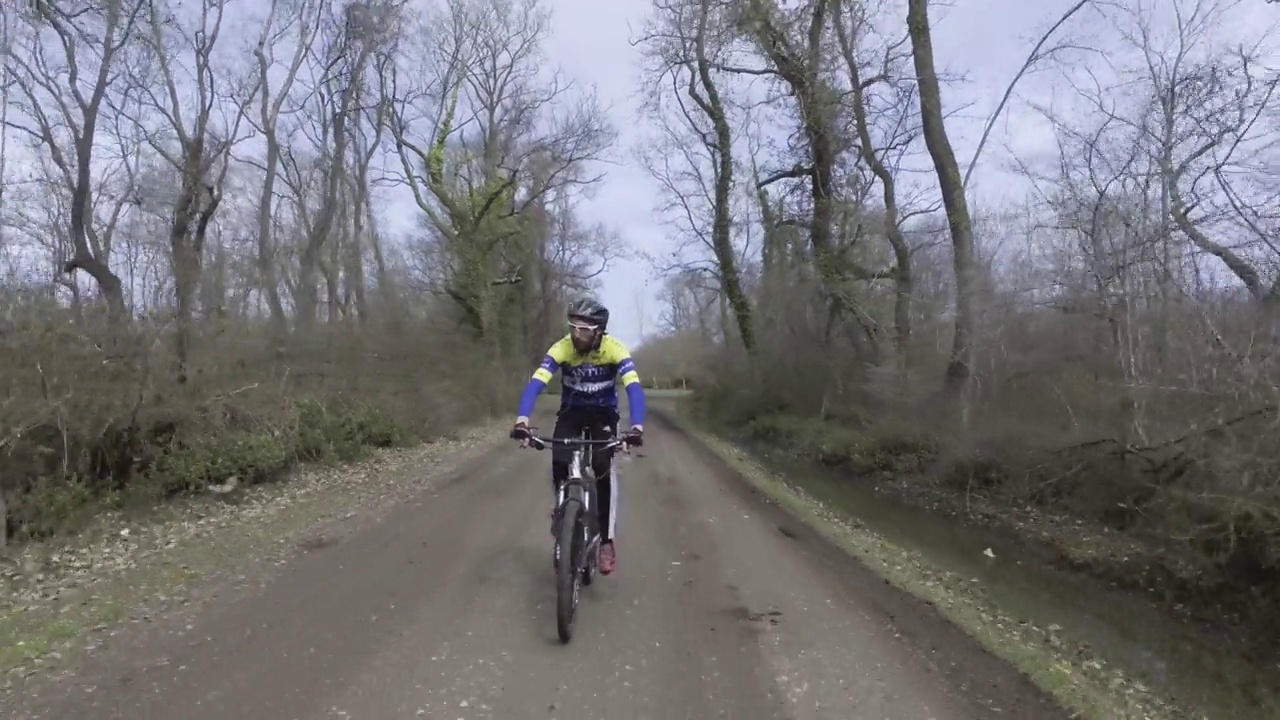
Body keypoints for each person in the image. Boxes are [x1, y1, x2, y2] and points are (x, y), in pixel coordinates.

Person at [510, 297, 646, 575]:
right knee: (559, 459)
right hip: (571, 412)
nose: (576, 334)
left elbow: (634, 389)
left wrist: (636, 427)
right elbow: (536, 383)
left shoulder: (615, 349)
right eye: (573, 327)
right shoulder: (562, 348)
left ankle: (607, 541)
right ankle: (563, 511)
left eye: (584, 330)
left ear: (599, 331)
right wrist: (522, 419)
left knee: (601, 467)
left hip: (603, 415)